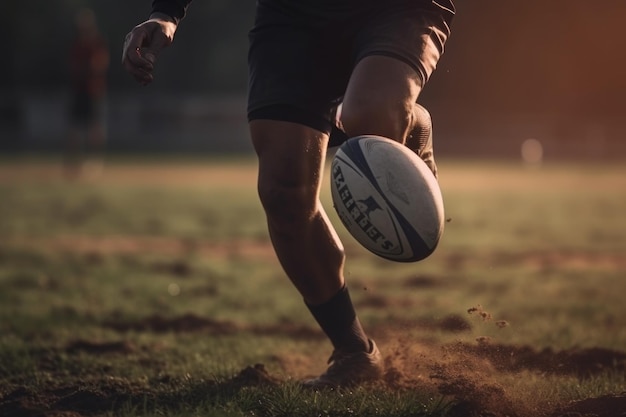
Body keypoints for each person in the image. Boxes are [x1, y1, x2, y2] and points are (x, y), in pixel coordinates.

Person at [122, 0, 454, 388]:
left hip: (393, 7)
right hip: (293, 17)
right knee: (283, 193)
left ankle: (408, 118)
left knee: (370, 116)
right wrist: (166, 11)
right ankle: (354, 350)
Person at [66, 8, 110, 178]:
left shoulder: (96, 44)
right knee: (75, 128)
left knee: (94, 128)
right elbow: (73, 68)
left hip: (93, 91)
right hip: (79, 91)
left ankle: (94, 162)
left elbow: (99, 65)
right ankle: (74, 163)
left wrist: (85, 70)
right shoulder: (77, 45)